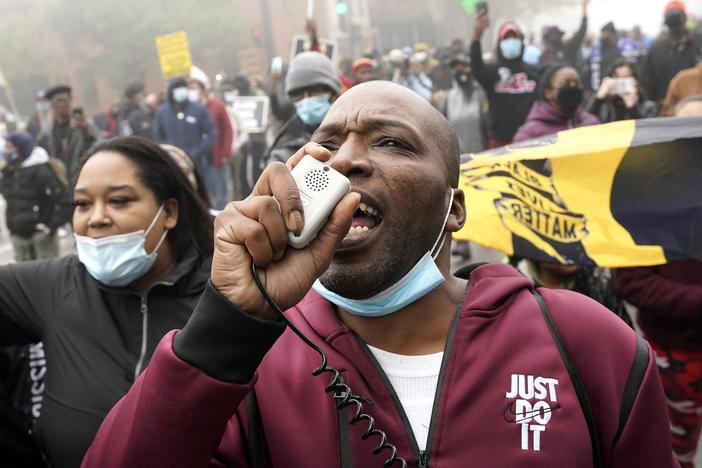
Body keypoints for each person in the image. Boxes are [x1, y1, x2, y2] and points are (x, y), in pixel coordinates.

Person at [84, 81, 678, 468]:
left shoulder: (588, 342)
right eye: (328, 145)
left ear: (456, 208)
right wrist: (225, 323)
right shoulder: (250, 369)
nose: (344, 161)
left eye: (391, 142)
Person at [0, 136, 213, 468]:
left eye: (118, 200)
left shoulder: (223, 297)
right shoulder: (55, 286)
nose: (95, 218)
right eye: (82, 204)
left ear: (168, 212)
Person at [613, 97, 702, 468]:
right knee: (672, 442)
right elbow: (631, 282)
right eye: (687, 130)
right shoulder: (645, 195)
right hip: (675, 352)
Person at [471, 13, 539, 147]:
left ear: (521, 41)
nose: (511, 41)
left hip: (530, 142)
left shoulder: (534, 72)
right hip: (500, 144)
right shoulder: (492, 72)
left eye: (515, 37)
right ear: (500, 43)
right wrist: (476, 38)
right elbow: (476, 66)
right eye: (506, 38)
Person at [262, 51, 341, 167]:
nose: (307, 99)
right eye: (298, 94)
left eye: (315, 90)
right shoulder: (283, 154)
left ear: (331, 92)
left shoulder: (354, 136)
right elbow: (277, 110)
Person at [0, 132, 65, 261]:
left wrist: (50, 227)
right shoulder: (8, 172)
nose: (5, 151)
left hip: (41, 237)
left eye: (10, 147)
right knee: (22, 279)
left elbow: (64, 200)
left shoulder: (42, 171)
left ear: (21, 149)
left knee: (45, 277)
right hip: (19, 237)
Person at [154, 76, 217, 200]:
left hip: (197, 163)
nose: (180, 90)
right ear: (171, 91)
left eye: (183, 87)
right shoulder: (162, 113)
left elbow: (212, 133)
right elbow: (158, 137)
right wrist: (170, 154)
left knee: (201, 197)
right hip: (174, 164)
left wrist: (198, 151)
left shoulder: (198, 109)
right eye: (177, 87)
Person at [513, 63, 599, 142]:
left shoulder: (591, 123)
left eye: (576, 83)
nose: (573, 87)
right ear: (548, 93)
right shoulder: (530, 134)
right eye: (566, 83)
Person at [642, 1, 702, 105]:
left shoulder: (698, 41)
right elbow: (648, 80)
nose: (675, 22)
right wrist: (651, 103)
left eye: (677, 17)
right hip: (666, 108)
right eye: (672, 17)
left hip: (696, 106)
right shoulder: (656, 48)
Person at [188, 76, 233, 210]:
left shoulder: (216, 105)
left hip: (216, 156)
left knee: (220, 194)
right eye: (189, 89)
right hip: (199, 159)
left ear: (202, 90)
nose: (191, 91)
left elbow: (227, 128)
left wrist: (225, 152)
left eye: (194, 88)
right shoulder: (189, 111)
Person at [36, 85, 99, 181]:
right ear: (51, 104)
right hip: (59, 183)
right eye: (58, 101)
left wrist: (86, 132)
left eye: (65, 100)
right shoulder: (46, 133)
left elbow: (99, 148)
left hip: (82, 178)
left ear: (70, 101)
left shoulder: (85, 124)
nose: (62, 104)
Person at [436, 53, 488, 153]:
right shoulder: (447, 98)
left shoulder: (482, 93)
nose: (460, 71)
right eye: (456, 68)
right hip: (460, 159)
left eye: (464, 67)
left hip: (483, 156)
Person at [587, 58, 658, 122]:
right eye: (617, 78)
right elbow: (586, 123)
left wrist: (632, 107)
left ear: (635, 81)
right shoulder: (603, 106)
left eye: (625, 79)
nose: (620, 84)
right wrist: (599, 98)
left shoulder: (649, 107)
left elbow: (646, 132)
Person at [538, 0, 589, 69]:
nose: (554, 38)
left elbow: (582, 30)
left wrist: (584, 7)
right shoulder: (544, 55)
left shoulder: (568, 47)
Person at [584, 22, 622, 95]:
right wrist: (587, 88)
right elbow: (588, 69)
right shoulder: (596, 50)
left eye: (604, 33)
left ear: (612, 34)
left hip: (612, 90)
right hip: (595, 90)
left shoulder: (618, 51)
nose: (602, 35)